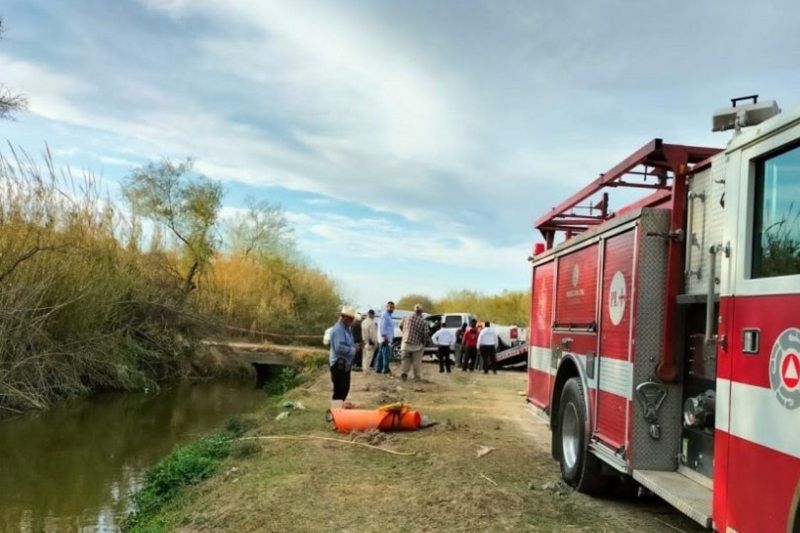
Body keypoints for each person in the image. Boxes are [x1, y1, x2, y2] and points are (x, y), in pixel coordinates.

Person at [328, 306, 363, 408]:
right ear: (344, 317)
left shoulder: (346, 329)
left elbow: (348, 344)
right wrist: (354, 349)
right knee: (339, 391)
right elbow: (339, 348)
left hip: (344, 365)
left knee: (344, 389)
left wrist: (357, 346)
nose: (352, 321)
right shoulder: (338, 330)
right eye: (351, 319)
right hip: (338, 364)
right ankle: (335, 413)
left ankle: (338, 412)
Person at [399, 304, 430, 381]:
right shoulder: (423, 322)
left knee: (405, 360)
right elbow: (425, 334)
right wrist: (424, 342)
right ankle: (416, 377)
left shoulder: (406, 317)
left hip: (405, 344)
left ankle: (404, 373)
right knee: (416, 361)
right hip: (416, 345)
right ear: (421, 312)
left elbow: (400, 325)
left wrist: (404, 333)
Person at [375, 301, 395, 374]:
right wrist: (385, 336)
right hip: (384, 338)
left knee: (381, 354)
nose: (392, 309)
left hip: (386, 338)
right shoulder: (384, 315)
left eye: (393, 307)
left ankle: (378, 369)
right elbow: (382, 327)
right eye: (390, 307)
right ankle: (385, 369)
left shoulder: (389, 316)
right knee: (385, 355)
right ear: (387, 307)